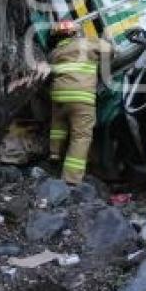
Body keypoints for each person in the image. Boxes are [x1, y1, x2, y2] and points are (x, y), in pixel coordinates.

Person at [47, 20, 112, 184]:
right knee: (81, 136)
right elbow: (109, 51)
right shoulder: (87, 44)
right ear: (75, 32)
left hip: (59, 96)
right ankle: (71, 179)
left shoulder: (54, 53)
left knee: (58, 124)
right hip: (81, 98)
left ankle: (54, 153)